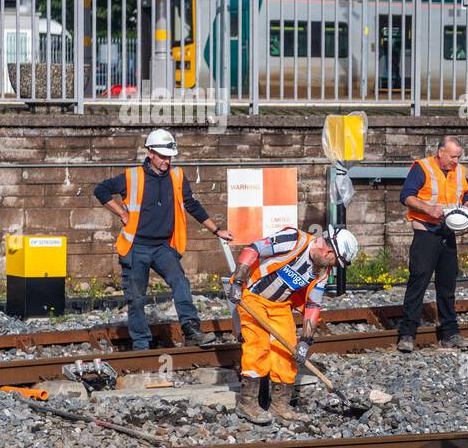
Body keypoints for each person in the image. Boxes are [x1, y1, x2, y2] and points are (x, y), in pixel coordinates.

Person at [93, 128, 234, 350]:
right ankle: (141, 345)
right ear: (150, 153)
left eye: (169, 157)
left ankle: (191, 329)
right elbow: (101, 190)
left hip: (162, 247)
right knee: (137, 298)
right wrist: (121, 212)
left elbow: (191, 205)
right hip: (136, 247)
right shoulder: (132, 177)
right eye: (162, 156)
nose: (166, 161)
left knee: (180, 283)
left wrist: (217, 230)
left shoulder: (177, 176)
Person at [223, 225, 360, 424]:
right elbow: (254, 248)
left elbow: (313, 305)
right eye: (335, 262)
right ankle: (248, 404)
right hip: (252, 297)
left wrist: (305, 342)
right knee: (257, 346)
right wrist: (237, 282)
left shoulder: (321, 271)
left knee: (287, 353)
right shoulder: (294, 240)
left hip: (280, 306)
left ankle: (280, 406)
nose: (333, 267)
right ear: (329, 251)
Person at [396, 136, 468, 353]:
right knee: (418, 282)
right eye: (452, 156)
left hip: (447, 232)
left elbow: (465, 193)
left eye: (458, 157)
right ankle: (407, 333)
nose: (455, 161)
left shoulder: (459, 171)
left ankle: (450, 333)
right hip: (426, 231)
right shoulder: (422, 167)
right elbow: (406, 196)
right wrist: (427, 209)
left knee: (447, 285)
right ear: (440, 152)